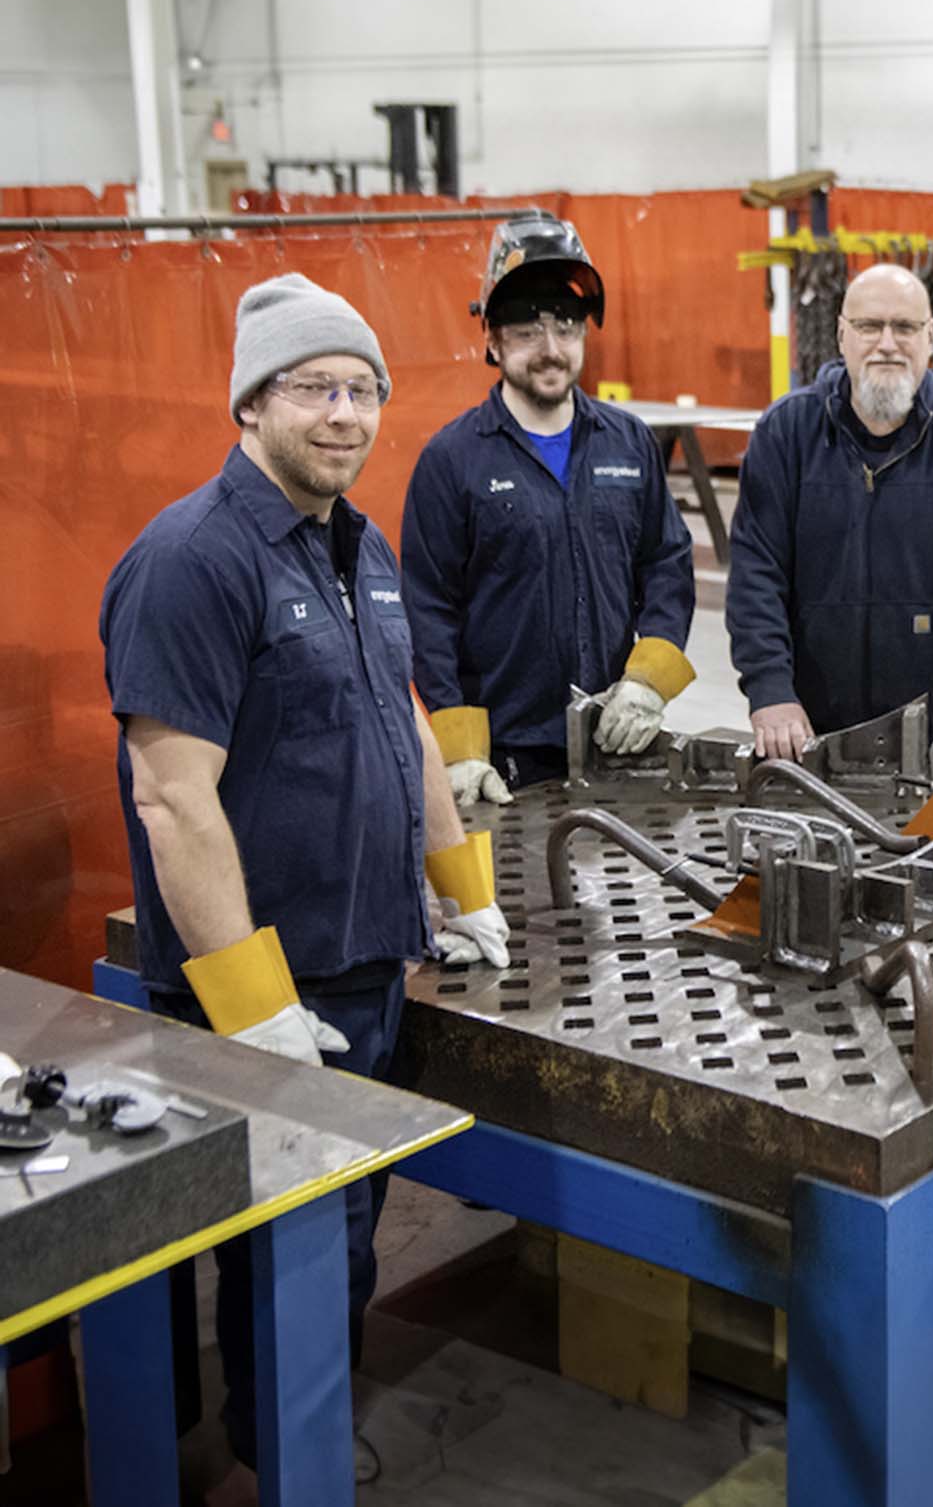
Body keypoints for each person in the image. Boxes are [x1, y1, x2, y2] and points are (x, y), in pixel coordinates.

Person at [100, 273, 511, 1499]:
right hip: (273, 990)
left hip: (369, 961)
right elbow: (172, 795)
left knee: (340, 1233)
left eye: (363, 388)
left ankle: (282, 1429)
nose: (345, 413)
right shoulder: (189, 562)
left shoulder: (361, 546)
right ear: (251, 403)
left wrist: (464, 888)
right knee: (296, 1244)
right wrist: (250, 1001)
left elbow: (407, 720)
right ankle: (285, 1453)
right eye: (314, 387)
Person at [402, 214, 696, 801]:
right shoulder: (453, 459)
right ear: (491, 340)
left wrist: (648, 683)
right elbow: (428, 611)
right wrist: (459, 747)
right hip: (504, 761)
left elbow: (666, 563)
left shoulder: (628, 442)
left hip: (617, 739)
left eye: (566, 327)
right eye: (528, 331)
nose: (551, 349)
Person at [725, 262, 933, 760]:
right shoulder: (787, 432)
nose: (887, 343)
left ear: (931, 337)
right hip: (808, 730)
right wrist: (770, 690)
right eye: (870, 327)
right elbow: (757, 576)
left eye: (905, 327)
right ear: (842, 335)